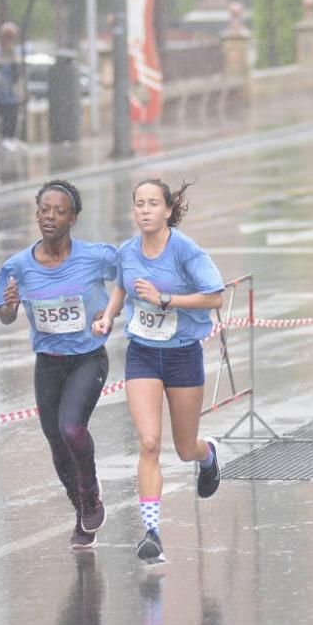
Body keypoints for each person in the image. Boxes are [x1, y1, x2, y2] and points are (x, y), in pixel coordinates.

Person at [92, 179, 224, 563]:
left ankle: (208, 455)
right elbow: (122, 287)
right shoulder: (128, 252)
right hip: (143, 354)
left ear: (168, 211)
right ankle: (152, 532)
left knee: (184, 448)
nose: (145, 210)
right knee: (149, 442)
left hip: (183, 354)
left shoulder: (186, 251)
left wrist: (167, 299)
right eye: (139, 204)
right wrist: (108, 317)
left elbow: (215, 296)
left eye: (153, 204)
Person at [0, 179, 116, 550]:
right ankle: (81, 511)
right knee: (56, 445)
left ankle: (90, 492)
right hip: (48, 363)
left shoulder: (95, 258)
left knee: (72, 428)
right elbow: (6, 316)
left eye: (59, 211)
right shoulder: (18, 267)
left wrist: (111, 312)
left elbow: (128, 275)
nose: (50, 217)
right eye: (45, 210)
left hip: (88, 359)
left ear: (73, 218)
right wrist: (10, 306)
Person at [0, 21, 20, 140]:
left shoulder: (15, 53)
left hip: (10, 96)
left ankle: (8, 138)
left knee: (10, 122)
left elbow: (17, 75)